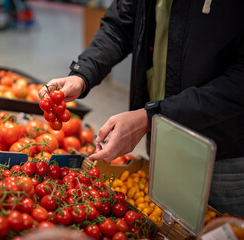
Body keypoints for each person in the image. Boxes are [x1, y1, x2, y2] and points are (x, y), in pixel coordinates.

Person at [39, 0, 244, 217]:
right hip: (160, 140)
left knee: (225, 229)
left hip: (224, 151)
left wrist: (152, 116)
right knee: (169, 222)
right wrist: (83, 74)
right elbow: (120, 24)